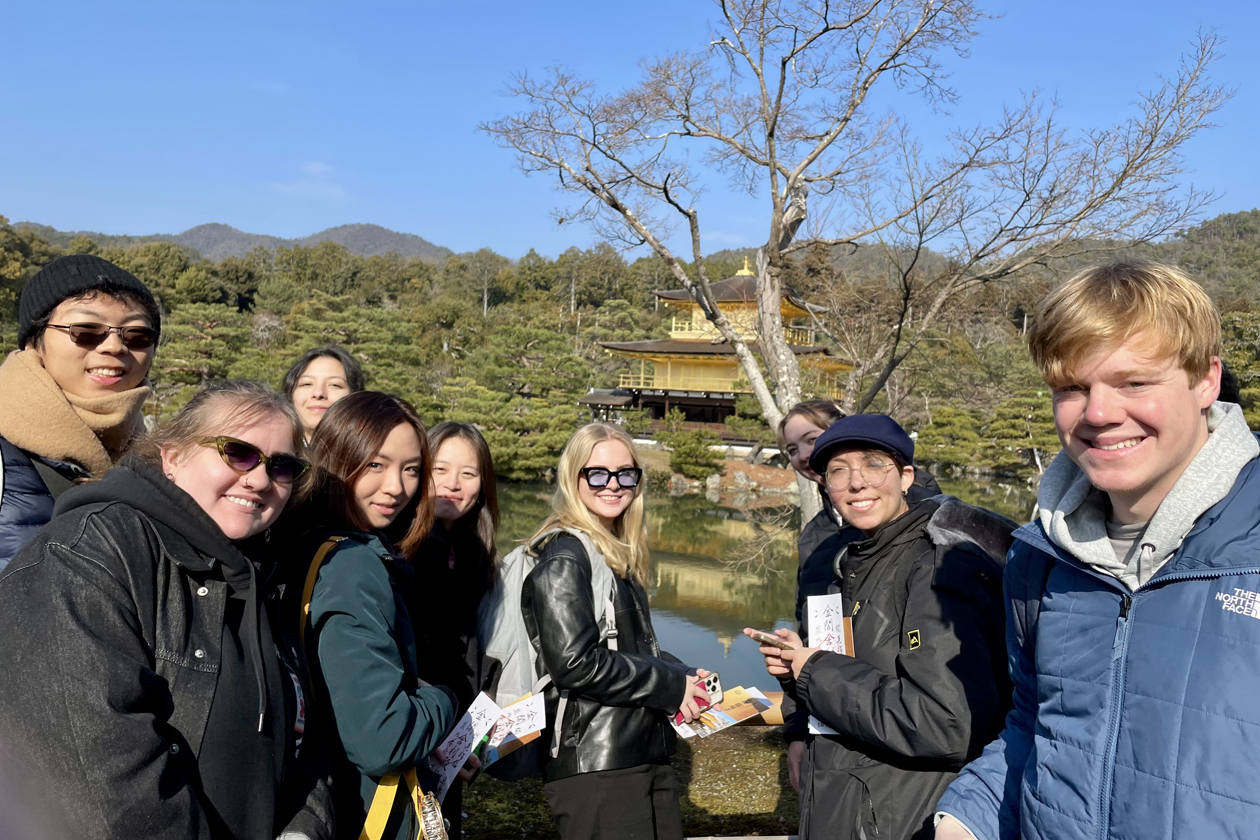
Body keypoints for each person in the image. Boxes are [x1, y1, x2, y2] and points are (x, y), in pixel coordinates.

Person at [936, 263, 1260, 840]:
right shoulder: (1040, 556)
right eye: (1073, 388)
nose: (1099, 414)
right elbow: (1038, 725)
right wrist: (964, 818)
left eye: (1135, 383)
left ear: (1206, 380)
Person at [0, 380, 332, 840]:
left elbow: (306, 739)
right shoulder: (89, 554)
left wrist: (305, 829)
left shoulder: (263, 578)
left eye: (282, 466)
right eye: (237, 452)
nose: (258, 478)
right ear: (172, 457)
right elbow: (97, 777)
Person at [749, 413, 1014, 840]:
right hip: (843, 795)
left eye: (874, 464)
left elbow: (944, 722)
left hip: (902, 812)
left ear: (906, 475)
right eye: (839, 471)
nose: (857, 482)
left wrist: (814, 670)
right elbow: (848, 663)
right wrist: (795, 672)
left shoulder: (938, 562)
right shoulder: (844, 554)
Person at [522, 423, 712, 840]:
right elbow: (575, 665)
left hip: (639, 751)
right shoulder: (566, 556)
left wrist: (685, 676)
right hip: (597, 763)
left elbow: (628, 645)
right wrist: (669, 683)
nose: (613, 485)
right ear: (574, 478)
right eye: (598, 473)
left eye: (626, 473)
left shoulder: (613, 551)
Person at [296, 391, 459, 840]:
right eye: (375, 464)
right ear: (335, 458)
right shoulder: (353, 565)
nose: (396, 487)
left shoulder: (302, 544)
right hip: (368, 812)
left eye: (410, 470)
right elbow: (382, 740)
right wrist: (445, 699)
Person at [777, 400, 943, 792]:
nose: (803, 456)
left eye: (811, 440)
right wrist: (798, 730)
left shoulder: (924, 520)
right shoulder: (816, 537)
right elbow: (815, 632)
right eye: (791, 449)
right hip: (834, 721)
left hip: (901, 752)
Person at [0, 254, 160, 572]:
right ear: (33, 343)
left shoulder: (156, 461)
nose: (115, 347)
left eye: (137, 336)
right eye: (86, 330)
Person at [404, 421, 500, 840]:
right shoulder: (399, 550)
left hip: (454, 739)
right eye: (440, 469)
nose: (453, 484)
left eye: (469, 473)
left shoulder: (473, 552)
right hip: (413, 731)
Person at [282, 345, 365, 442]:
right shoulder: (269, 452)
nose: (318, 393)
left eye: (335, 385)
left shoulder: (373, 455)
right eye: (306, 384)